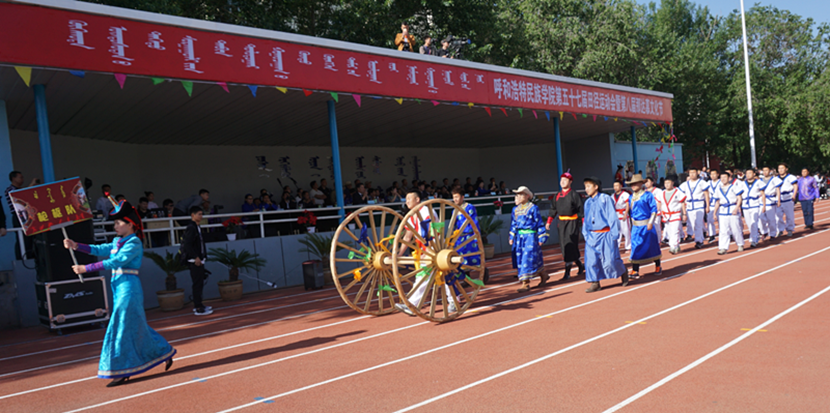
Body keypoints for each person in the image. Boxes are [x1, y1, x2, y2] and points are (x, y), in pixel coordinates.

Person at [63, 200, 175, 387]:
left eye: (118, 223)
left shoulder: (134, 242)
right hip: (119, 286)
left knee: (120, 325)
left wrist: (86, 268)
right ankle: (164, 351)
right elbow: (100, 249)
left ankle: (122, 370)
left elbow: (117, 261)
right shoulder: (117, 241)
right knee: (135, 325)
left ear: (130, 224)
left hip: (129, 288)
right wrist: (76, 245)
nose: (115, 226)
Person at [581, 176, 628, 293]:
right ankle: (595, 282)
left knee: (610, 261)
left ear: (596, 187)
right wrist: (585, 234)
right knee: (591, 261)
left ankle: (622, 271)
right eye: (585, 187)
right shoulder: (587, 202)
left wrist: (614, 234)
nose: (586, 189)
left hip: (605, 234)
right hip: (592, 236)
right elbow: (585, 219)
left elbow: (612, 216)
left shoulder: (605, 199)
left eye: (588, 186)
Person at [545, 171, 584, 280]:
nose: (562, 182)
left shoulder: (574, 195)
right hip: (561, 223)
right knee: (564, 245)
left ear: (570, 182)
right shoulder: (557, 195)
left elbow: (581, 209)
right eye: (561, 180)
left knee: (570, 244)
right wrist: (549, 221)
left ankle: (567, 272)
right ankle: (580, 265)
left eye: (565, 180)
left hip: (572, 222)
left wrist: (584, 222)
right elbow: (553, 209)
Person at [509, 186, 549, 293]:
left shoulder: (533, 208)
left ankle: (525, 283)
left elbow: (539, 222)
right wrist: (511, 236)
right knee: (522, 258)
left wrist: (541, 236)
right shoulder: (515, 209)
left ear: (527, 196)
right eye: (518, 194)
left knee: (527, 258)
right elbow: (513, 223)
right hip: (519, 238)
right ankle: (543, 274)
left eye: (521, 194)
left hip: (530, 237)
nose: (519, 196)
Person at [626, 174, 663, 278]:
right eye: (631, 184)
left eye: (635, 183)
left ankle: (658, 266)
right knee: (635, 247)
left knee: (652, 246)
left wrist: (650, 222)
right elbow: (631, 212)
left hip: (646, 225)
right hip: (636, 227)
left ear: (641, 184)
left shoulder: (648, 195)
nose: (633, 186)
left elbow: (653, 210)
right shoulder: (630, 197)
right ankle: (635, 270)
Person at [182, 206, 212, 316]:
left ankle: (200, 304)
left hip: (200, 258)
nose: (201, 216)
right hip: (194, 260)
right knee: (197, 284)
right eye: (199, 214)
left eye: (201, 214)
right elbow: (187, 245)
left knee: (200, 283)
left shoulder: (197, 227)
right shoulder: (191, 228)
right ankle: (198, 307)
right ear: (192, 215)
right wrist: (195, 257)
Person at [6, 171, 39, 258]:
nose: (22, 179)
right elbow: (20, 196)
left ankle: (31, 257)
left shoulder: (20, 189)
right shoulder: (10, 189)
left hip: (27, 215)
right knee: (22, 239)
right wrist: (31, 185)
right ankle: (21, 258)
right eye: (20, 177)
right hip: (18, 216)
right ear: (13, 178)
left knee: (30, 239)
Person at [713, 171, 745, 254]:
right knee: (723, 230)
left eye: (725, 177)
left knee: (735, 229)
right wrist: (714, 213)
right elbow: (717, 202)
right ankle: (723, 248)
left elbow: (739, 199)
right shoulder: (718, 189)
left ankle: (740, 244)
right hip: (722, 211)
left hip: (732, 209)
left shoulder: (734, 187)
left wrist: (736, 208)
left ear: (729, 178)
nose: (723, 179)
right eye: (721, 177)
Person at [679, 167, 710, 249]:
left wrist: (707, 206)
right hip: (689, 206)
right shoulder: (685, 184)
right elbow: (681, 196)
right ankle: (701, 237)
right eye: (690, 173)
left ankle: (699, 241)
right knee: (692, 224)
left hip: (699, 205)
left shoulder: (702, 183)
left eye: (693, 172)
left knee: (698, 223)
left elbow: (706, 194)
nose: (692, 174)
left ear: (697, 173)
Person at [451, 185, 482, 268]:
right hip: (459, 237)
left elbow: (474, 222)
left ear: (462, 197)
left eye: (457, 197)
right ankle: (465, 273)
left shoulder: (469, 207)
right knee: (460, 257)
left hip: (469, 236)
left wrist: (476, 236)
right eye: (453, 197)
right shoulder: (454, 210)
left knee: (473, 256)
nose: (455, 199)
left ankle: (482, 269)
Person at [659, 176, 686, 254]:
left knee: (675, 231)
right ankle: (676, 246)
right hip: (666, 215)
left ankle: (673, 246)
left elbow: (682, 203)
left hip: (675, 214)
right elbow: (659, 203)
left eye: (668, 183)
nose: (667, 185)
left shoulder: (678, 191)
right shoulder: (662, 193)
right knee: (669, 232)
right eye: (665, 183)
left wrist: (684, 214)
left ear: (672, 183)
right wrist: (658, 212)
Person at [742, 168, 767, 247]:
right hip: (745, 205)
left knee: (754, 222)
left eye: (750, 173)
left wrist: (764, 205)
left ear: (754, 174)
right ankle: (756, 235)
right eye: (747, 173)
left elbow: (763, 194)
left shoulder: (759, 182)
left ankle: (753, 240)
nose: (748, 175)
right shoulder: (742, 183)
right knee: (749, 224)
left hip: (755, 205)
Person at [758, 166, 782, 240]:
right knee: (761, 218)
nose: (765, 172)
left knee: (771, 219)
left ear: (770, 171)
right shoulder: (759, 180)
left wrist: (778, 200)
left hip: (771, 200)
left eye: (766, 170)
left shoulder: (775, 179)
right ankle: (764, 231)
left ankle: (772, 234)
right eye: (763, 170)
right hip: (761, 200)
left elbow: (778, 190)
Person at [776, 163, 799, 237]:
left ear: (786, 169)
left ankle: (790, 229)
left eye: (782, 168)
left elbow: (795, 186)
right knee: (778, 215)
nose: (780, 170)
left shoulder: (791, 177)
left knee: (789, 215)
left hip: (788, 197)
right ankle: (780, 230)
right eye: (779, 168)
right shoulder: (775, 178)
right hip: (779, 198)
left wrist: (794, 195)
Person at [612, 181, 631, 252]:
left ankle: (628, 246)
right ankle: (617, 246)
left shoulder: (625, 194)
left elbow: (627, 205)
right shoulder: (612, 196)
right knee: (617, 232)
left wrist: (625, 214)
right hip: (616, 214)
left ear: (620, 186)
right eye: (614, 186)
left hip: (623, 213)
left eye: (617, 185)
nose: (615, 187)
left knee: (626, 231)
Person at [644, 177, 663, 242]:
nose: (646, 183)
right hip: (647, 213)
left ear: (652, 182)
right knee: (648, 228)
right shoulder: (644, 192)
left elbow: (660, 201)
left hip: (656, 211)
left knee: (657, 227)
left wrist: (658, 210)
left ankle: (658, 241)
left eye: (648, 181)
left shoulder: (658, 191)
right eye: (645, 182)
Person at [706, 169, 721, 243]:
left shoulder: (721, 182)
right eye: (711, 174)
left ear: (718, 174)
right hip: (711, 204)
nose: (712, 176)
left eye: (714, 174)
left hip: (720, 204)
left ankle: (725, 234)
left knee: (721, 220)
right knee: (709, 220)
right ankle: (711, 235)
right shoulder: (708, 183)